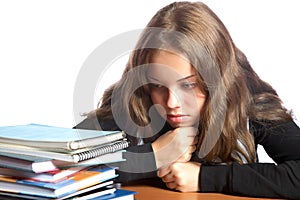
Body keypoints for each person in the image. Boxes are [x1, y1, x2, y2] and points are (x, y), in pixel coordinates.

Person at [74, 1, 300, 199]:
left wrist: (204, 178)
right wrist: (153, 156)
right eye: (157, 85)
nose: (171, 102)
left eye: (188, 85)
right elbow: (57, 162)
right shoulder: (135, 97)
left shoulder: (248, 99)